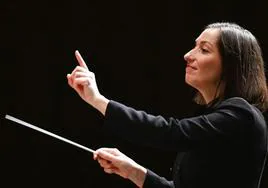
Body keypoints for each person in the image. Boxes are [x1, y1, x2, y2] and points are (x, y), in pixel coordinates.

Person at [66, 22, 268, 188]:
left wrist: (98, 100)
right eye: (194, 46)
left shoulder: (242, 116)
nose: (188, 55)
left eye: (204, 49)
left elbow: (171, 132)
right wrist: (133, 171)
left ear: (231, 65)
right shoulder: (218, 119)